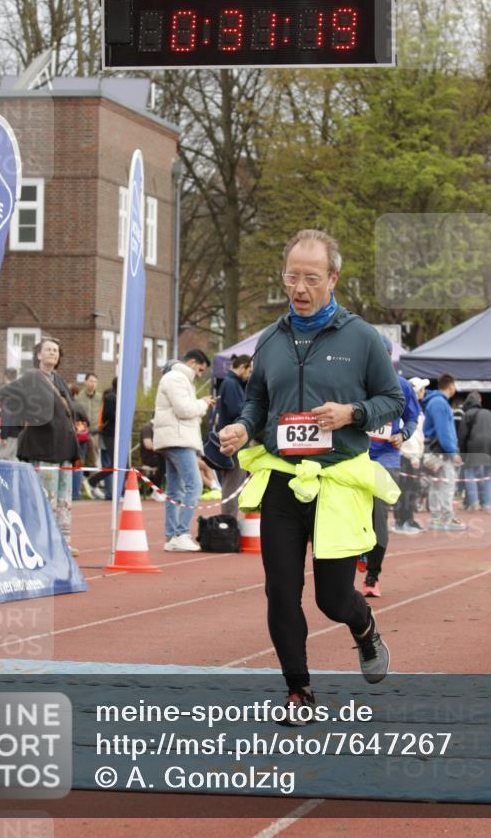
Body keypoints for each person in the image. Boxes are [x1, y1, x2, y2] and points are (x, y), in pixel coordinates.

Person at [219, 229, 404, 720]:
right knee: (280, 590)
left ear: (334, 278)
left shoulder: (361, 337)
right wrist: (242, 427)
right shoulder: (272, 338)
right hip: (282, 479)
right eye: (292, 277)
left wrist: (352, 413)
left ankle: (363, 627)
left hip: (338, 480)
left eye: (311, 279)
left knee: (332, 598)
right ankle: (298, 689)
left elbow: (393, 401)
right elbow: (257, 398)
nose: (299, 288)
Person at [0, 336, 81, 556]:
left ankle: (62, 541)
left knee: (64, 499)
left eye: (56, 350)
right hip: (43, 447)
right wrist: (28, 414)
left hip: (64, 448)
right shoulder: (32, 377)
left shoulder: (59, 379)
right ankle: (43, 540)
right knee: (47, 497)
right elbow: (4, 394)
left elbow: (67, 409)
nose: (53, 353)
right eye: (49, 349)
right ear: (39, 355)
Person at [363, 335, 421, 597]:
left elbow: (412, 418)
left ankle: (373, 575)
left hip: (386, 458)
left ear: (388, 356)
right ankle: (361, 553)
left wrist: (403, 435)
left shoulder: (401, 386)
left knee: (378, 516)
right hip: (355, 457)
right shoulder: (356, 382)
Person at [153, 349, 215, 552]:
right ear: (191, 362)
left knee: (174, 489)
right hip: (178, 439)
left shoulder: (176, 378)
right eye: (199, 369)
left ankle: (172, 536)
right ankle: (181, 533)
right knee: (194, 486)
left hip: (173, 438)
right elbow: (184, 410)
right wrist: (203, 403)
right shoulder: (177, 378)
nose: (199, 374)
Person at [423, 374, 466, 532]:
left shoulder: (434, 402)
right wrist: (452, 451)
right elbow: (444, 430)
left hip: (434, 449)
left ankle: (436, 518)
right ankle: (446, 517)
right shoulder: (440, 403)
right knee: (447, 483)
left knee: (437, 484)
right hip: (441, 451)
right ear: (451, 386)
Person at [214, 354, 253, 517]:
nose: (250, 375)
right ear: (242, 367)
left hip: (233, 440)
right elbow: (236, 411)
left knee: (234, 482)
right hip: (234, 441)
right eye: (249, 371)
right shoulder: (231, 384)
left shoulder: (231, 383)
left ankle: (230, 519)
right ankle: (229, 521)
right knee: (233, 483)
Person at [458, 391, 491, 513]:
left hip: (475, 446)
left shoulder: (467, 414)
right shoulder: (490, 413)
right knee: (489, 476)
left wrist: (463, 454)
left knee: (470, 473)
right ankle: (488, 505)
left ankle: (474, 503)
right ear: (480, 400)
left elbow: (462, 436)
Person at [397, 377, 429, 532]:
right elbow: (411, 435)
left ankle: (407, 519)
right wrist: (414, 456)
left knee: (410, 490)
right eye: (422, 389)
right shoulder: (409, 409)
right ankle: (404, 521)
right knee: (407, 490)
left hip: (411, 455)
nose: (424, 392)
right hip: (409, 456)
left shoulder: (416, 408)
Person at [87, 378, 117, 501]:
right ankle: (94, 481)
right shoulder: (110, 397)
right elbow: (106, 416)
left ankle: (115, 491)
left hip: (115, 434)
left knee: (121, 464)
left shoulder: (114, 396)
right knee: (114, 463)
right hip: (108, 434)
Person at [77, 372, 102, 492]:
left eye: (95, 382)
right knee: (80, 458)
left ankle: (93, 485)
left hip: (95, 432)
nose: (92, 384)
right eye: (90, 381)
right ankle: (79, 485)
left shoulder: (100, 397)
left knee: (93, 458)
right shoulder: (79, 397)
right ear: (85, 382)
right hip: (81, 432)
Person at [68, 381, 91, 502]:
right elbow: (87, 421)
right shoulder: (78, 405)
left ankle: (68, 491)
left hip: (67, 438)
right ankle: (75, 493)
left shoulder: (64, 404)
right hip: (80, 440)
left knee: (66, 465)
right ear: (76, 394)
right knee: (77, 465)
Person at [139, 419, 166, 501]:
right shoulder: (147, 428)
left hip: (158, 456)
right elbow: (148, 445)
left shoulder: (159, 428)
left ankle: (174, 491)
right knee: (164, 463)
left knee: (172, 461)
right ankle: (156, 491)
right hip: (149, 458)